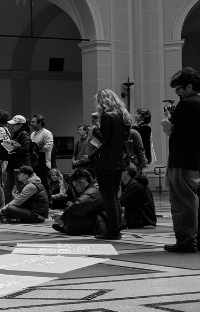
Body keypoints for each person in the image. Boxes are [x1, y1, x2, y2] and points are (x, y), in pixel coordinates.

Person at [162, 67, 200, 253]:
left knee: (183, 203)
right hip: (196, 160)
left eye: (179, 89)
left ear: (189, 86)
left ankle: (186, 241)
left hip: (182, 160)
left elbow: (170, 126)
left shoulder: (188, 103)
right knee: (198, 201)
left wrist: (168, 121)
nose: (178, 93)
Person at [90, 89, 133, 240]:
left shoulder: (108, 116)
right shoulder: (123, 115)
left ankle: (113, 231)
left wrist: (95, 130)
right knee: (114, 197)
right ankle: (116, 229)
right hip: (118, 161)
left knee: (108, 198)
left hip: (106, 162)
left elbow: (104, 139)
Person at [51, 168, 107, 236]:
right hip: (101, 217)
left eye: (76, 186)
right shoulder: (94, 188)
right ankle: (65, 226)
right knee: (72, 215)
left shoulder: (93, 191)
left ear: (82, 182)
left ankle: (65, 228)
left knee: (73, 220)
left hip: (103, 221)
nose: (76, 189)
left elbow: (78, 206)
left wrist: (63, 217)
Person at [119, 164, 157, 228]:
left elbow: (121, 202)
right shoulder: (133, 183)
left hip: (142, 219)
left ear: (125, 173)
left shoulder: (134, 185)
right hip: (144, 218)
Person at [30, 115, 54, 190]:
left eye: (33, 122)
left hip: (43, 164)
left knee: (45, 185)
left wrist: (36, 148)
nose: (31, 123)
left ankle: (48, 201)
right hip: (34, 163)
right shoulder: (32, 134)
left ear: (40, 123)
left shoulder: (46, 133)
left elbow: (49, 147)